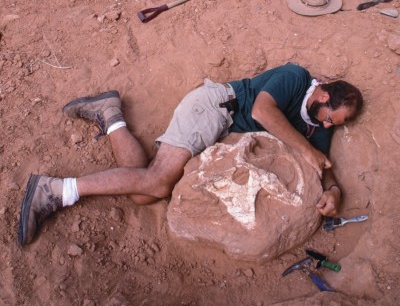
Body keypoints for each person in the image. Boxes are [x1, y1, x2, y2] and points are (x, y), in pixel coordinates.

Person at [17, 63, 363, 246]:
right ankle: (54, 189)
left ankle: (110, 115)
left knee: (142, 194)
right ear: (320, 96)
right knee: (157, 183)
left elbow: (323, 165)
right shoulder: (296, 77)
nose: (329, 127)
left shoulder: (315, 128)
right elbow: (262, 111)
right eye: (330, 118)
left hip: (221, 132)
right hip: (214, 109)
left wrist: (334, 190)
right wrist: (304, 148)